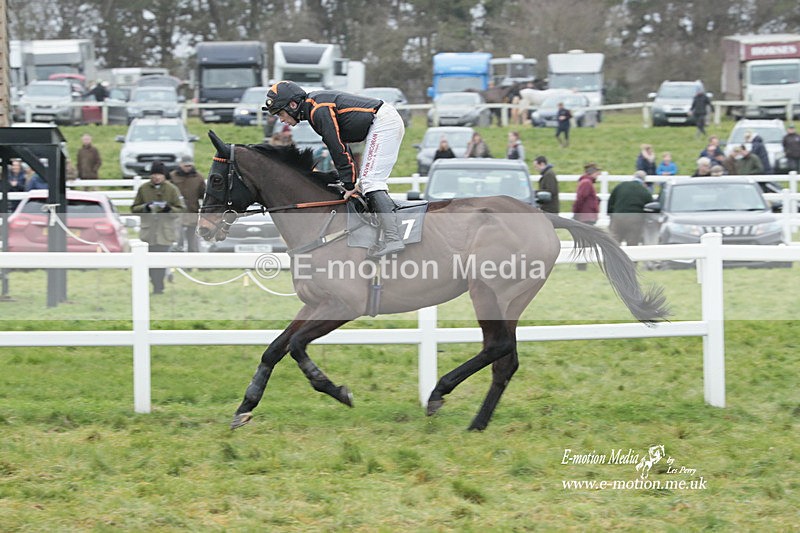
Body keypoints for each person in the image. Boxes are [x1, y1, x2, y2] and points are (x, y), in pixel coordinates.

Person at [263, 80, 406, 257]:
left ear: (293, 105)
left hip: (383, 122)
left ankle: (394, 237)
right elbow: (341, 147)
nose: (282, 119)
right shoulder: (314, 107)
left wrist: (348, 183)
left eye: (281, 113)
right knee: (365, 184)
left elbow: (337, 147)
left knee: (371, 183)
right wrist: (349, 181)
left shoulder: (318, 109)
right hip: (381, 122)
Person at [131, 161, 186, 294]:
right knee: (148, 263)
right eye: (154, 174)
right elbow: (134, 208)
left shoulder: (172, 189)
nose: (156, 177)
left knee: (161, 261)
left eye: (159, 174)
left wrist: (168, 209)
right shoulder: (143, 189)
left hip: (165, 232)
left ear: (164, 175)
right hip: (148, 232)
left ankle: (159, 287)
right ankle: (153, 283)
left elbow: (181, 209)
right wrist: (146, 207)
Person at [607, 170, 654, 246]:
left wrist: (610, 214)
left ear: (634, 177)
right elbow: (650, 207)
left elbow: (611, 201)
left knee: (614, 242)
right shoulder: (645, 191)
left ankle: (613, 257)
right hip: (635, 219)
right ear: (644, 180)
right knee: (632, 243)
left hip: (618, 217)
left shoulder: (621, 186)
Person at [169, 155, 205, 253]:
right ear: (180, 165)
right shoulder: (172, 176)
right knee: (178, 239)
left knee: (193, 241)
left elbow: (203, 194)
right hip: (177, 213)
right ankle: (178, 262)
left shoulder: (198, 177)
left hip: (193, 212)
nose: (187, 168)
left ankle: (192, 264)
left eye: (189, 165)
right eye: (185, 165)